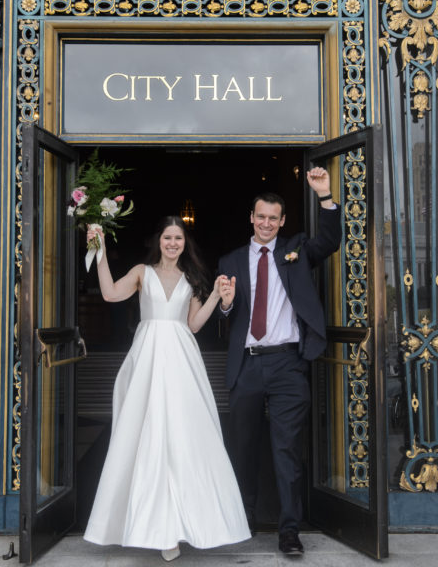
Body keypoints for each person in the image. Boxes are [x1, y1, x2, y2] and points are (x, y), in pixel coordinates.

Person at [84, 216, 250, 561]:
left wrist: (218, 297)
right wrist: (98, 251)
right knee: (145, 436)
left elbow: (192, 324)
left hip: (181, 359)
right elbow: (110, 294)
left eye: (178, 238)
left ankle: (184, 525)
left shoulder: (191, 279)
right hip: (147, 357)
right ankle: (151, 528)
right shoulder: (142, 272)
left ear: (184, 242)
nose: (173, 243)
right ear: (158, 240)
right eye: (167, 237)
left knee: (184, 438)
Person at [217, 167, 341, 556]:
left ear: (282, 221)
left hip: (288, 364)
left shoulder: (297, 251)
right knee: (243, 448)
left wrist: (324, 196)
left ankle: (289, 531)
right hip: (247, 365)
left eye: (274, 218)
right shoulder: (231, 260)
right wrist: (225, 305)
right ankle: (243, 520)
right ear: (251, 218)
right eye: (261, 216)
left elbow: (331, 240)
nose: (267, 223)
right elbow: (227, 316)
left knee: (286, 449)